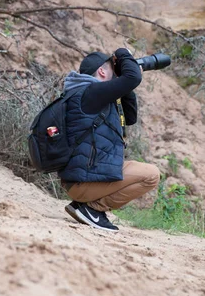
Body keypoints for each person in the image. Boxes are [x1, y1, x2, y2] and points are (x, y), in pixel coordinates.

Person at [59, 48, 160, 232]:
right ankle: (93, 209)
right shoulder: (90, 91)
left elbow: (130, 118)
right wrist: (123, 53)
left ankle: (86, 207)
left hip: (82, 180)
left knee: (145, 172)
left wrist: (124, 83)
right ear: (102, 71)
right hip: (84, 182)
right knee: (151, 175)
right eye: (114, 70)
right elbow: (133, 78)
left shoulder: (88, 94)